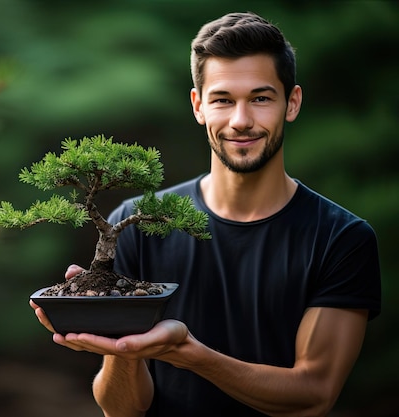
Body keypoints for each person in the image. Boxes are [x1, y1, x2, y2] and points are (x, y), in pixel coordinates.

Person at [30, 11, 381, 417]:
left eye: (261, 98)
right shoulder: (140, 222)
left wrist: (190, 354)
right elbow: (122, 411)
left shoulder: (340, 238)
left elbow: (313, 395)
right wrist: (121, 345)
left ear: (292, 103)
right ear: (198, 106)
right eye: (222, 100)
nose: (241, 121)